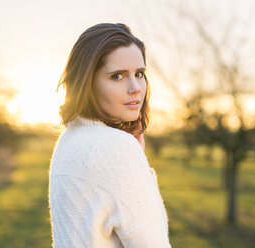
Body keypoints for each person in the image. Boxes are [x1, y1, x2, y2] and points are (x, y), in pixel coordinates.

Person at [49, 23, 171, 248]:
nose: (135, 88)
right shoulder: (114, 147)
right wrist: (135, 161)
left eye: (140, 74)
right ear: (88, 83)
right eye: (117, 76)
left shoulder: (69, 139)